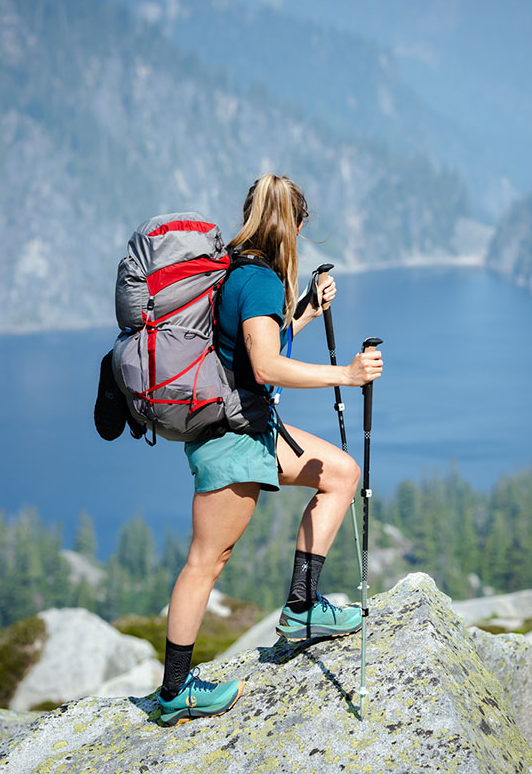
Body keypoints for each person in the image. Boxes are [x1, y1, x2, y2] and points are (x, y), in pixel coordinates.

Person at [156, 174, 384, 726]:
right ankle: (175, 691)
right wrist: (347, 375)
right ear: (295, 225)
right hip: (233, 438)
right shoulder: (256, 280)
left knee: (340, 473)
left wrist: (305, 308)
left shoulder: (237, 270)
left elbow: (257, 344)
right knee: (206, 562)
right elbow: (263, 366)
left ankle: (303, 608)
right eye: (303, 228)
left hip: (249, 429)